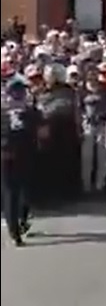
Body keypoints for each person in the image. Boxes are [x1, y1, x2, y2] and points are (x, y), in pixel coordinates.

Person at [1, 77, 41, 246]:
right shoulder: (31, 112)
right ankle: (18, 226)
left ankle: (16, 229)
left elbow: (43, 133)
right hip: (19, 155)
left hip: (11, 155)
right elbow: (43, 133)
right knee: (21, 191)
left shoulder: (29, 112)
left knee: (14, 193)